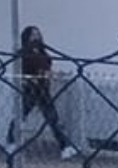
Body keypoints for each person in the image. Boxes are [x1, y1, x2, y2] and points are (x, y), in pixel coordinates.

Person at [16, 27, 73, 160]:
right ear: (27, 37)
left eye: (37, 34)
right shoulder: (24, 52)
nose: (36, 37)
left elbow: (47, 69)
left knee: (52, 118)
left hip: (44, 89)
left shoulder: (42, 51)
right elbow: (26, 70)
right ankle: (12, 141)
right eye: (32, 35)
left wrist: (55, 74)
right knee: (21, 115)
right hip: (31, 88)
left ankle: (65, 147)